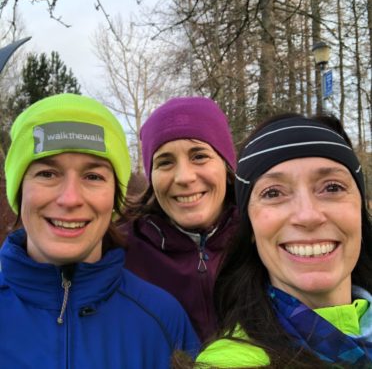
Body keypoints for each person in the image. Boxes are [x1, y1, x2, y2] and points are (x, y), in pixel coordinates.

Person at [0, 93, 199, 368]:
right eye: (47, 173)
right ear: (19, 190)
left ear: (116, 196)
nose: (70, 198)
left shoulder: (163, 319)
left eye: (93, 176)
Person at [194, 113, 372, 368]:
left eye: (332, 187)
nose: (308, 216)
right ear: (251, 229)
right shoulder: (227, 362)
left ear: (359, 211)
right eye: (273, 192)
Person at [120, 96, 239, 342]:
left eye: (199, 156)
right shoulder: (119, 251)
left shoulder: (262, 239)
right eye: (165, 162)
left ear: (226, 166)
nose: (184, 177)